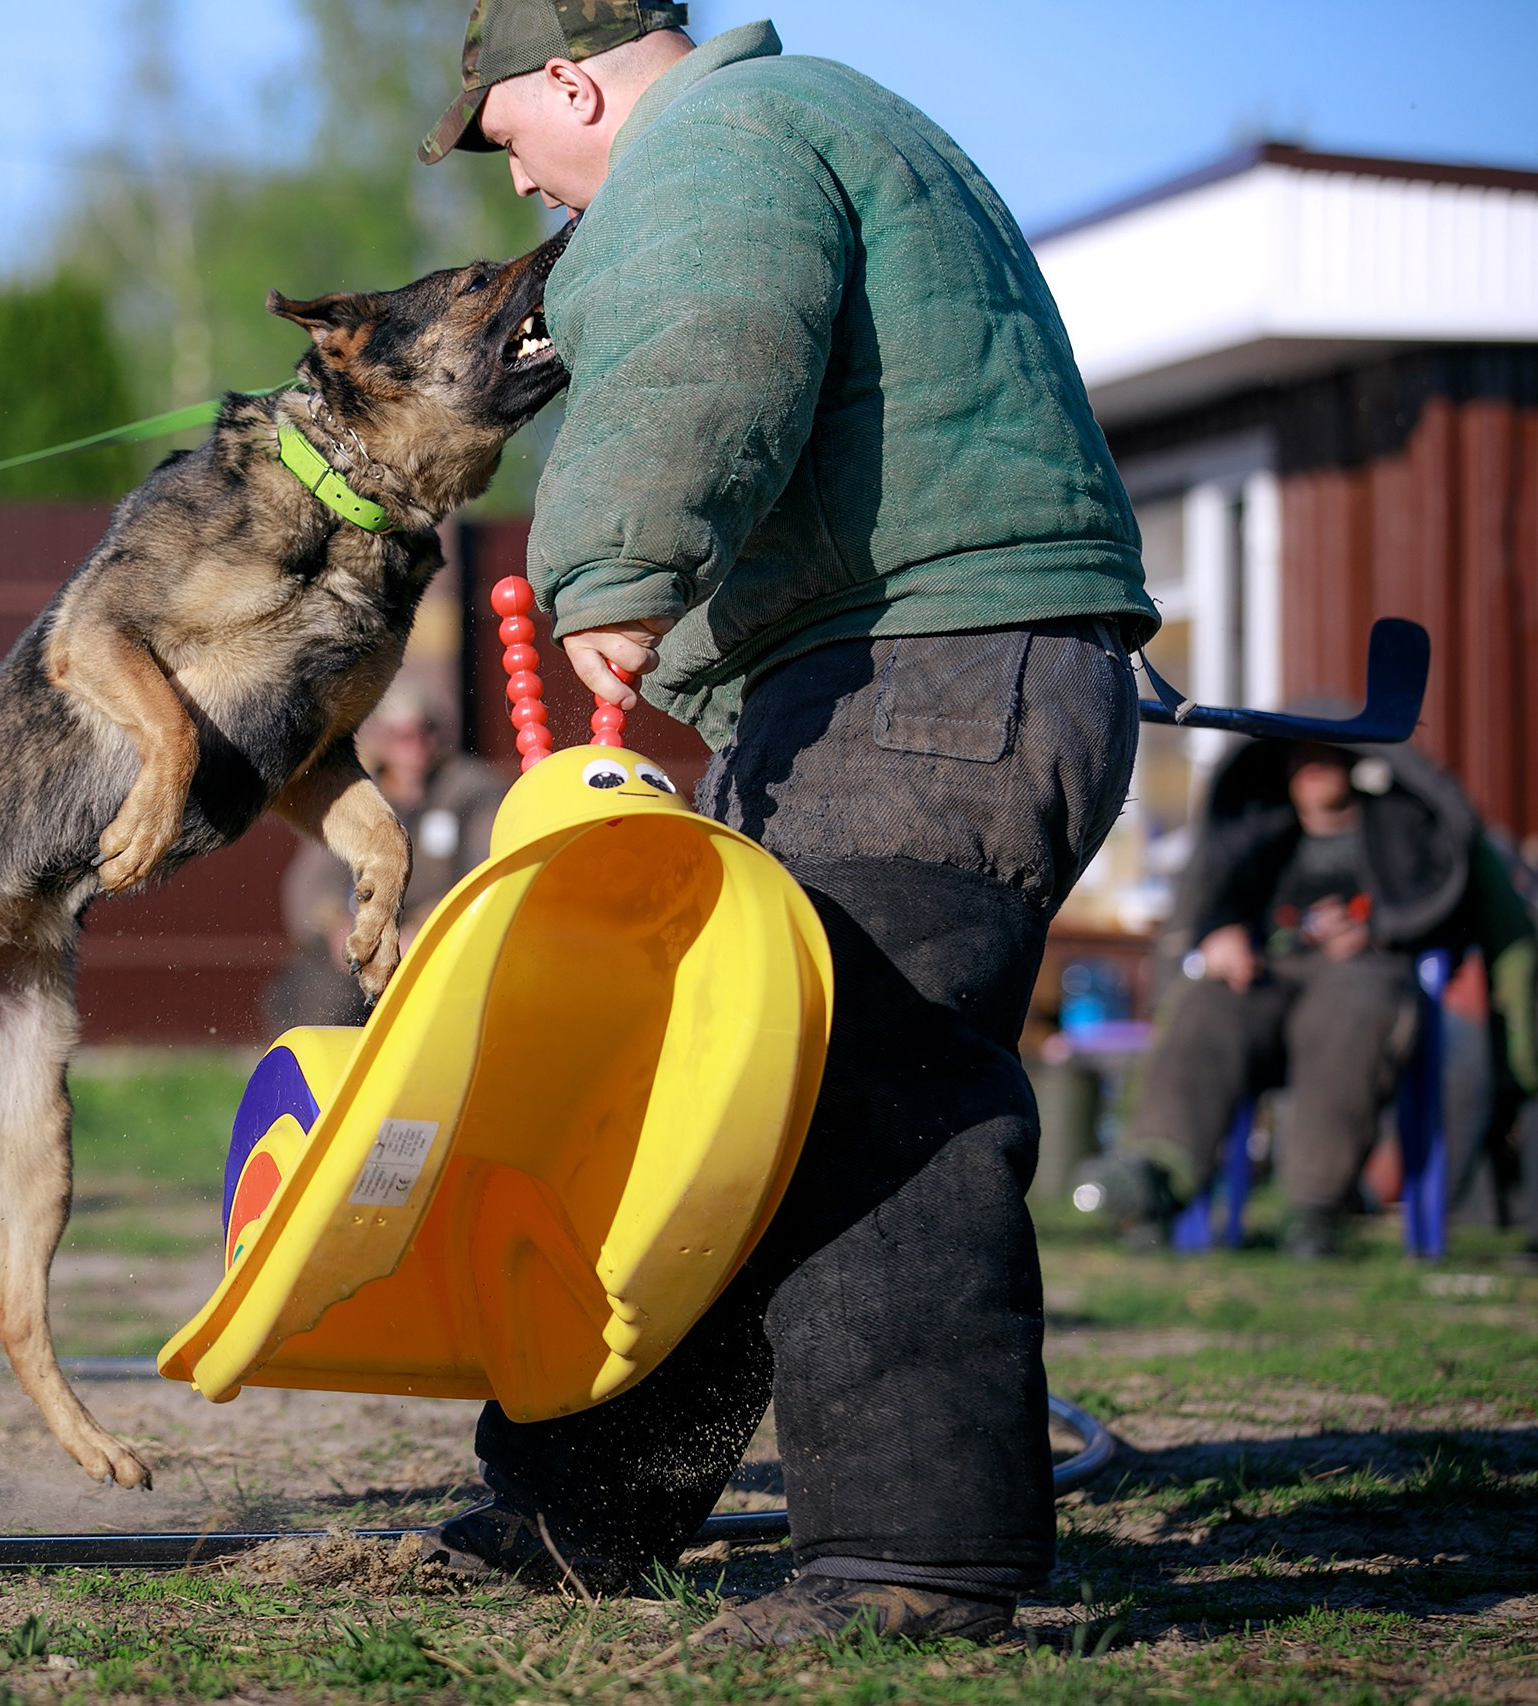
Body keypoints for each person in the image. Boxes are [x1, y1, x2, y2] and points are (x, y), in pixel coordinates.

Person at [414, 5, 1160, 1644]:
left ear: (574, 82)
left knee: (860, 1102)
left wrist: (612, 561)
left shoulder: (714, 150)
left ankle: (913, 1563)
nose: (520, 179)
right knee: (716, 1100)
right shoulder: (821, 119)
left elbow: (705, 340)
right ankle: (584, 1509)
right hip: (933, 681)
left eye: (506, 135)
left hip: (923, 687)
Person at [1078, 735, 1538, 1257]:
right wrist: (1222, 932)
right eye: (1298, 757)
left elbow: (1439, 906)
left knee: (1349, 1011)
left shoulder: (1398, 827)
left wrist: (1377, 929)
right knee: (1208, 1002)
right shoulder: (1262, 832)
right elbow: (1216, 902)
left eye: (1323, 755)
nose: (1310, 767)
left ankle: (1314, 1207)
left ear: (1351, 761)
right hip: (1270, 976)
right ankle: (1158, 1179)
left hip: (1362, 972)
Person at [266, 683, 507, 1033]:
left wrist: (426, 928)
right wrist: (337, 928)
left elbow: (486, 874)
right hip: (362, 936)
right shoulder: (353, 796)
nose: (414, 745)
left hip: (444, 940)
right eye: (400, 735)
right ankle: (323, 1080)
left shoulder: (473, 791)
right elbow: (311, 883)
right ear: (381, 742)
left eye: (423, 731)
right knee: (312, 995)